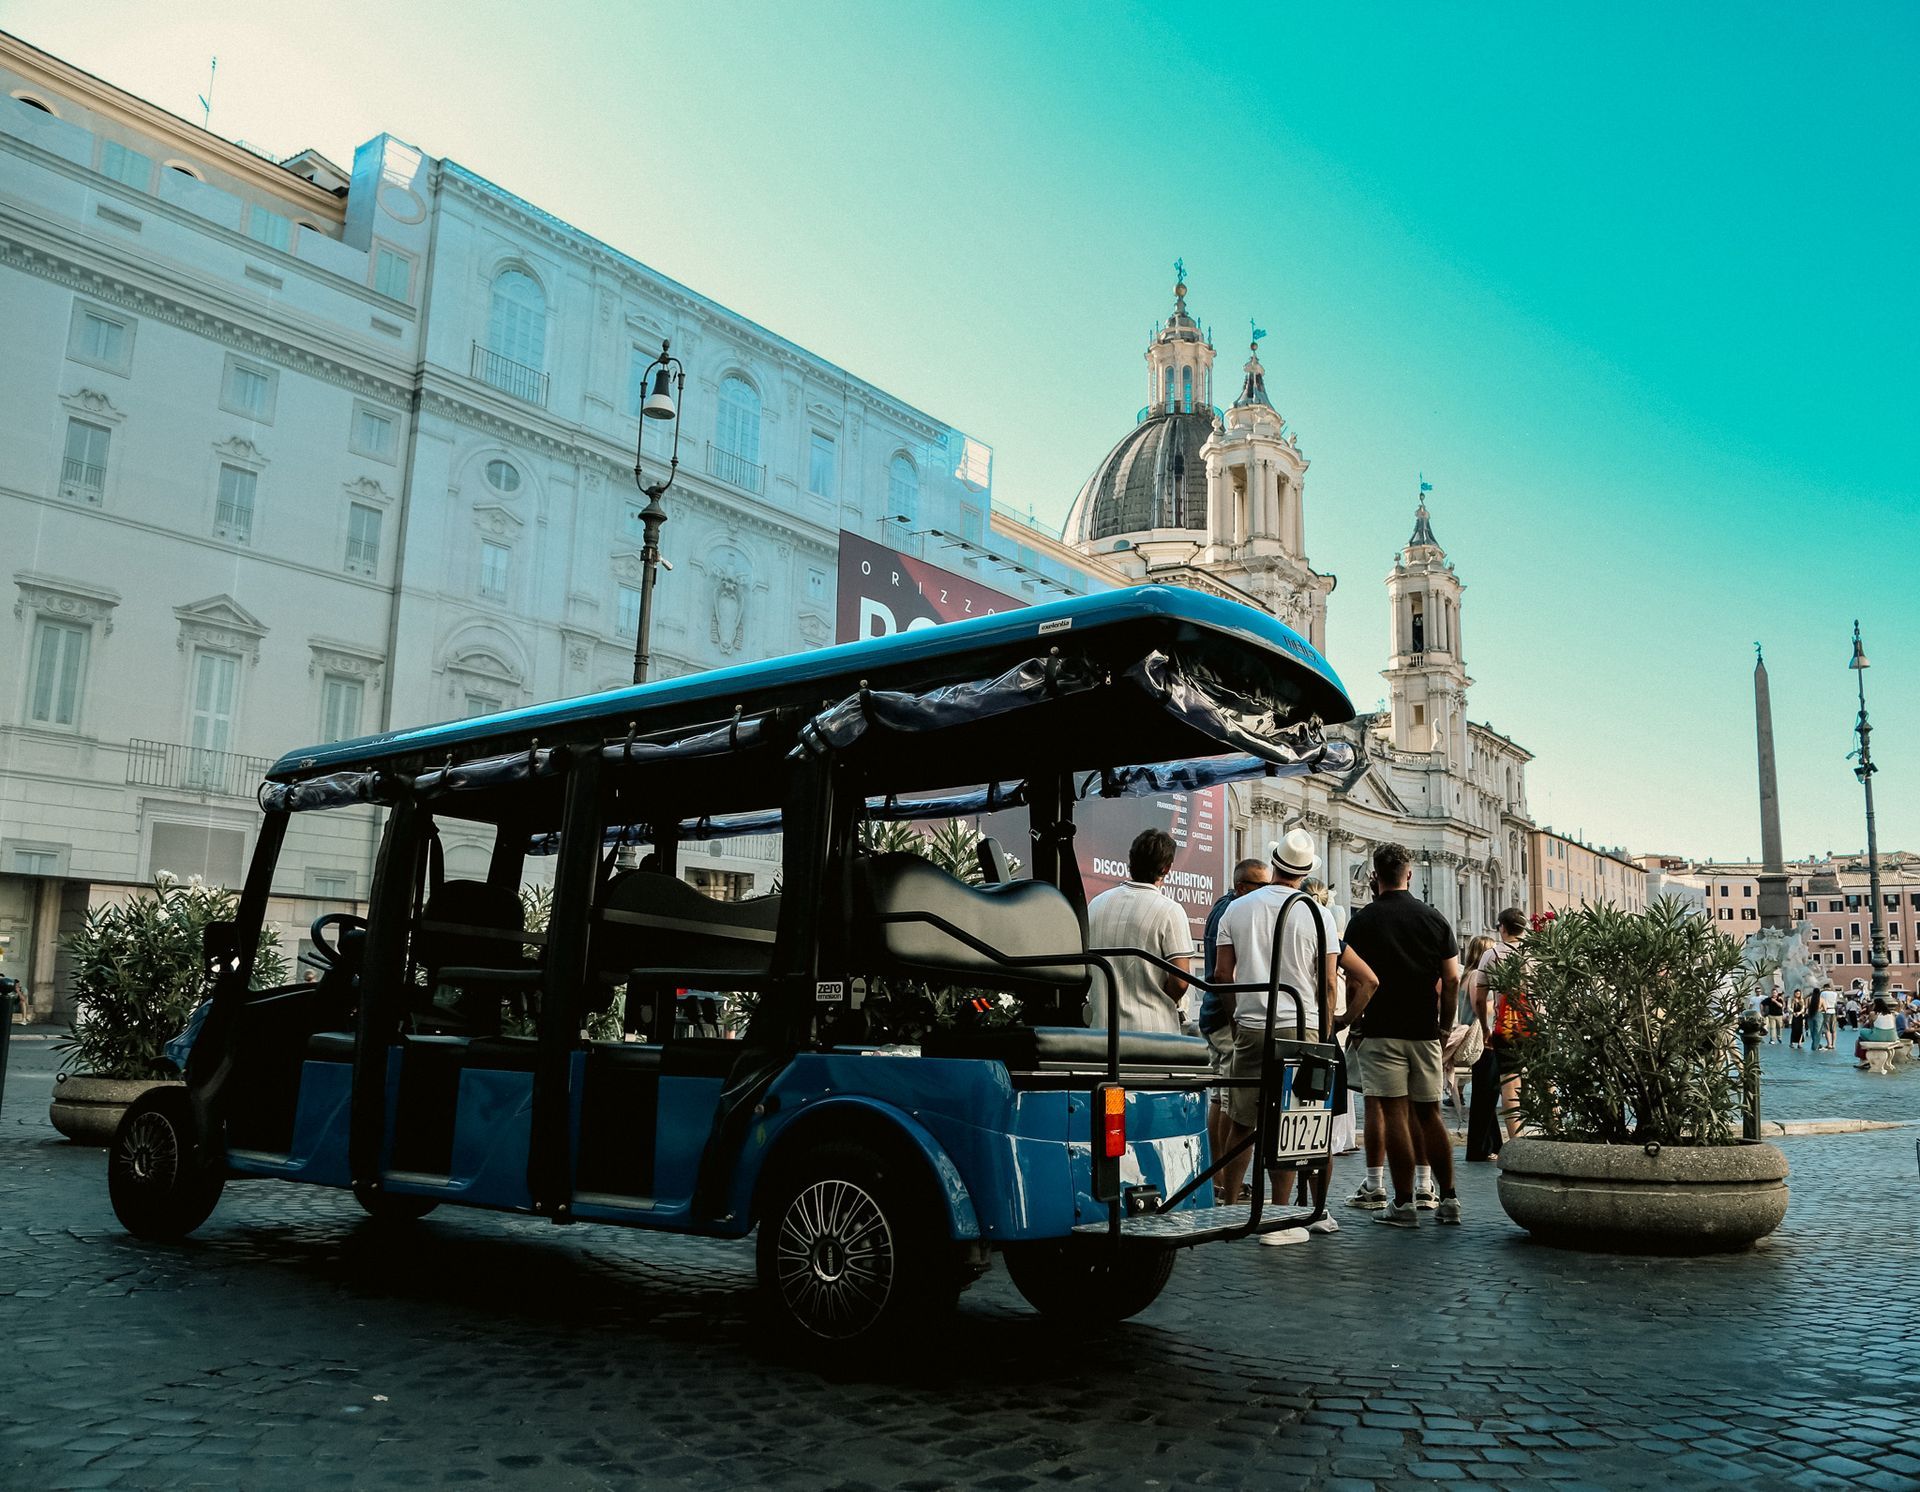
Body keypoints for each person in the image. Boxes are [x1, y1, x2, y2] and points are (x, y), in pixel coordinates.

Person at [1214, 829, 1376, 1244]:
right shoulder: (1319, 914)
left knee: (1241, 1120)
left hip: (1252, 1024)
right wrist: (1328, 1028)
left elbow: (1222, 975)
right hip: (1303, 1026)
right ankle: (1281, 1214)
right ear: (1304, 873)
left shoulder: (1237, 908)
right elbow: (1329, 983)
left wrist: (1236, 1018)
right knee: (1293, 1122)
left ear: (1275, 864)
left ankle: (1228, 1206)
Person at [1339, 843, 1463, 1228]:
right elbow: (1452, 978)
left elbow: (1354, 980)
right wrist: (1444, 1026)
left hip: (1381, 1030)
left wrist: (1354, 1022)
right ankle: (1449, 1199)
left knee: (1393, 1113)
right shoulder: (1434, 919)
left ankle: (1404, 1203)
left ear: (1374, 876)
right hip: (1424, 1030)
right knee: (1429, 1113)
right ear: (1409, 874)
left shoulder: (1362, 921)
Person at [1199, 857, 1270, 1199]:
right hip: (1229, 1015)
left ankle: (1219, 1177)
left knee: (1220, 1096)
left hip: (1216, 1012)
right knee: (1232, 1101)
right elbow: (1225, 972)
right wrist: (1235, 1019)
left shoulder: (1223, 907)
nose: (1267, 892)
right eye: (1261, 885)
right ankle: (1229, 1182)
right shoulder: (1233, 911)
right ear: (1242, 886)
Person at [1084, 828, 1194, 1036]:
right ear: (1167, 868)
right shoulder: (1170, 910)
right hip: (1154, 1032)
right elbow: (1180, 981)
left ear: (1131, 861)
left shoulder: (1097, 904)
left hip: (1102, 1031)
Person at [1466, 908, 1526, 1161]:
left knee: (1510, 1083)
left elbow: (1480, 999)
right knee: (1546, 1081)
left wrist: (1485, 1028)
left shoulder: (1493, 955)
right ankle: (1554, 1134)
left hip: (1510, 1026)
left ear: (1502, 927)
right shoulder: (1538, 953)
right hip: (1539, 1025)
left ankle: (1517, 1145)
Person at [1446, 934, 1494, 1113]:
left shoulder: (1467, 975)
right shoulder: (1476, 976)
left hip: (1470, 1029)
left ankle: (1459, 1095)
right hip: (1479, 1033)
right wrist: (1497, 1004)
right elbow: (1478, 1005)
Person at [1807, 986, 1827, 1055]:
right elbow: (1825, 1008)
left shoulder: (1809, 999)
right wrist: (1820, 1009)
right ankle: (1815, 1046)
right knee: (1818, 1031)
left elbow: (1807, 1007)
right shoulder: (1822, 999)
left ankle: (1815, 1044)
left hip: (1810, 1014)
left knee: (1812, 1031)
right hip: (1819, 1015)